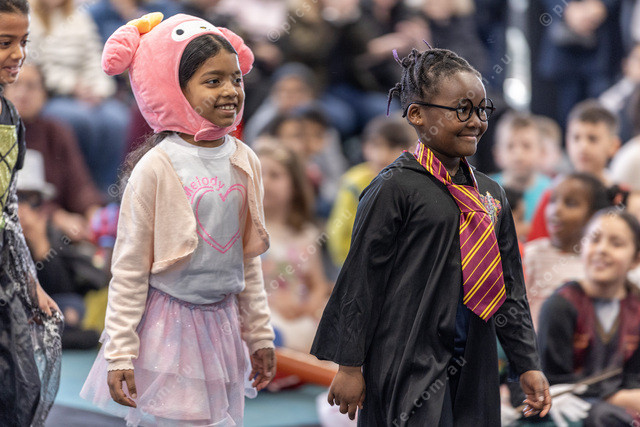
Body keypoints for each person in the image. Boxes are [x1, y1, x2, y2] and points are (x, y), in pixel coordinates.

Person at [311, 47, 551, 425]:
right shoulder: (393, 188)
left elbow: (509, 287)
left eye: (482, 110)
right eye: (462, 109)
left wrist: (527, 362)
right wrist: (350, 366)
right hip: (407, 358)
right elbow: (361, 279)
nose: (476, 121)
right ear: (417, 115)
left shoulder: (491, 194)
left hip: (474, 359)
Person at [79, 13, 276, 426]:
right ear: (174, 88)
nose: (230, 91)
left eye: (235, 79)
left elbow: (247, 259)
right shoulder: (157, 167)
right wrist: (120, 352)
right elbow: (129, 268)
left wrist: (259, 333)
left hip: (222, 327)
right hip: (169, 329)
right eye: (212, 81)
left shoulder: (245, 160)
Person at [0, 0, 62, 425]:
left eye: (23, 41)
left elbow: (8, 208)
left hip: (3, 272)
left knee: (17, 390)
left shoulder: (9, 116)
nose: (18, 54)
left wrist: (29, 280)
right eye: (5, 42)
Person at [537, 209, 640, 426]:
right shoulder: (560, 305)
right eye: (594, 240)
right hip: (569, 410)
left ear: (635, 259)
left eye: (616, 243)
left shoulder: (637, 308)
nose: (602, 249)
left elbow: (634, 377)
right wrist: (616, 398)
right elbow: (554, 380)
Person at [256, 141, 330, 353]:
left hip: (301, 316)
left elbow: (318, 284)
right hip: (263, 313)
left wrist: (311, 305)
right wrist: (272, 301)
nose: (265, 182)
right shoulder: (246, 230)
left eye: (275, 175)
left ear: (295, 187)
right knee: (267, 334)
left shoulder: (305, 234)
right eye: (259, 174)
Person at [327, 113, 415, 266]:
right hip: (357, 263)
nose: (382, 155)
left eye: (392, 147)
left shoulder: (413, 182)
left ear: (408, 149)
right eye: (376, 145)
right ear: (364, 147)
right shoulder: (353, 183)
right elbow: (338, 233)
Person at [524, 173, 611, 328]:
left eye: (570, 204)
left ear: (593, 216)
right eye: (552, 201)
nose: (556, 210)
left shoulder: (597, 262)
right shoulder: (531, 254)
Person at [528, 100, 622, 242]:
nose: (583, 146)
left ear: (613, 145)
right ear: (567, 142)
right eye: (576, 138)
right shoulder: (553, 194)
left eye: (592, 139)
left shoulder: (621, 197)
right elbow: (536, 242)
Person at [491, 112, 552, 223]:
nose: (518, 156)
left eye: (526, 146)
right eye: (510, 146)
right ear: (497, 154)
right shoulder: (486, 190)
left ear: (541, 152)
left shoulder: (551, 192)